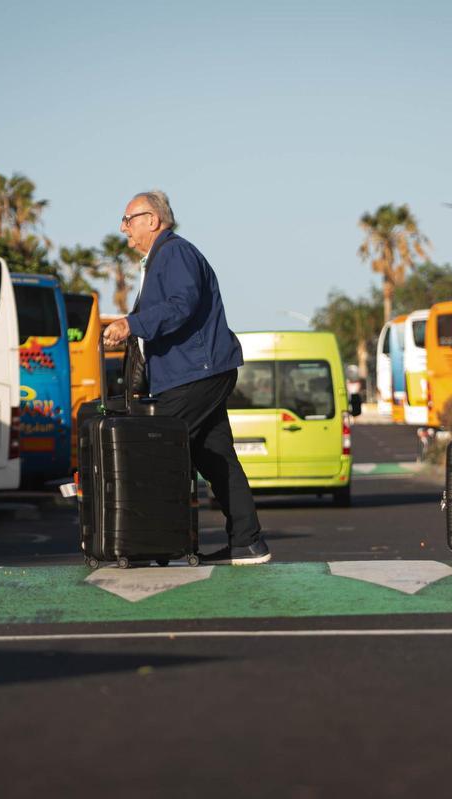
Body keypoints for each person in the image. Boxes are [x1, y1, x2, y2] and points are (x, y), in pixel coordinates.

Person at [102, 190, 270, 565]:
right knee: (215, 456)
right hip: (195, 372)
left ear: (153, 220)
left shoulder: (174, 252)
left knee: (155, 451)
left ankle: (147, 544)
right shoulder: (160, 258)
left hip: (196, 373)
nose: (123, 227)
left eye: (129, 219)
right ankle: (248, 542)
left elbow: (182, 304)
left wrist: (133, 323)